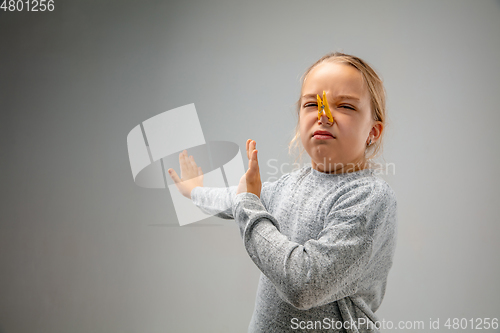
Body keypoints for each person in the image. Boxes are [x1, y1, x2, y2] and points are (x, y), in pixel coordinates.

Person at [168, 52, 398, 333]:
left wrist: (249, 205)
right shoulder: (289, 185)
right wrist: (195, 190)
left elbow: (304, 285)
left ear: (373, 131)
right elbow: (234, 200)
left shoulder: (370, 197)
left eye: (346, 106)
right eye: (312, 104)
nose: (324, 115)